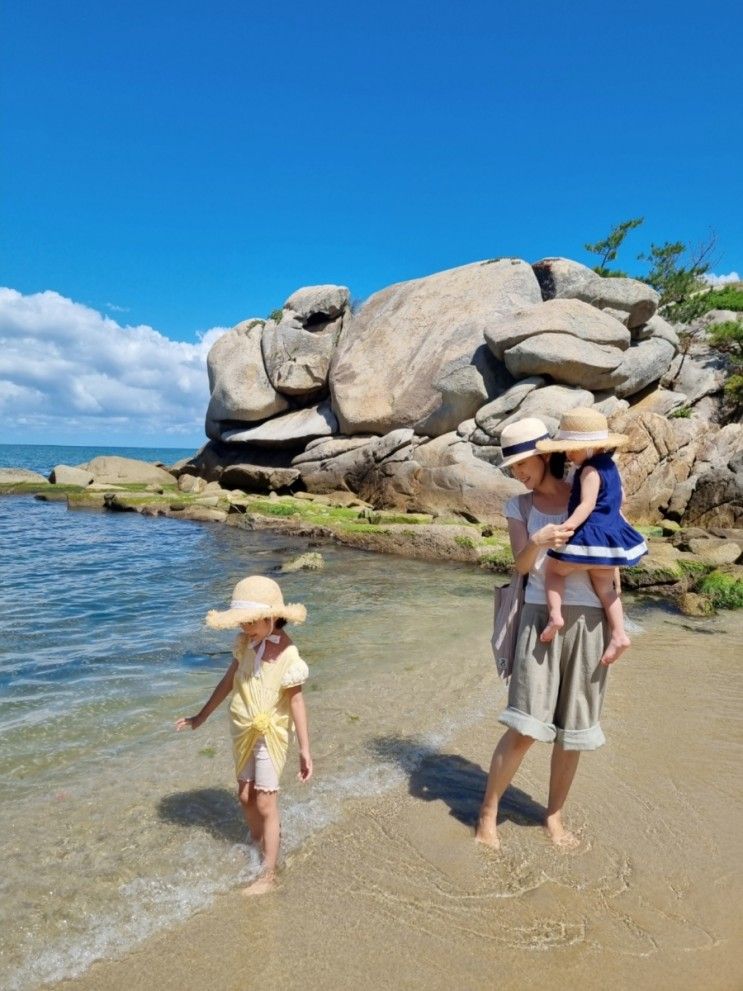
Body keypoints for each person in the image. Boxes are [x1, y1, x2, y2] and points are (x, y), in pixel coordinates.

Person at [475, 416, 617, 851]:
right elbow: (520, 566)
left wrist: (617, 625)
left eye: (525, 462)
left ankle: (553, 816)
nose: (520, 473)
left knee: (572, 730)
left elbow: (610, 554)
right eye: (513, 467)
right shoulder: (518, 507)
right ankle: (488, 814)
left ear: (546, 455)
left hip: (590, 619)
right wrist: (537, 539)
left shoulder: (585, 488)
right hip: (540, 618)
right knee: (524, 726)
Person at [176, 575, 313, 895]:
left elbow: (296, 700)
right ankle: (259, 842)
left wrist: (305, 749)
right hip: (242, 729)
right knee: (244, 796)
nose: (244, 629)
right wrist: (201, 716)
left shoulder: (288, 655)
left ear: (270, 617)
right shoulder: (245, 644)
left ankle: (269, 873)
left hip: (271, 732)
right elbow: (227, 683)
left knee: (266, 801)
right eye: (241, 623)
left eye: (249, 622)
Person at [536, 408, 647, 665]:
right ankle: (619, 635)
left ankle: (555, 616)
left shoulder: (588, 471)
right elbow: (621, 499)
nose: (567, 453)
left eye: (571, 448)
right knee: (607, 590)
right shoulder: (612, 468)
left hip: (589, 537)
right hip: (609, 542)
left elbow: (585, 505)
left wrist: (567, 528)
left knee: (554, 570)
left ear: (590, 447)